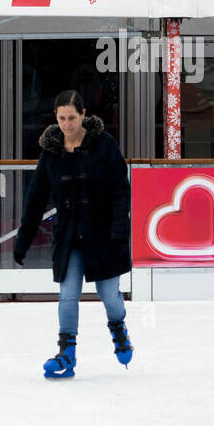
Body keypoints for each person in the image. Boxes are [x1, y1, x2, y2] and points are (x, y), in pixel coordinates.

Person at [14, 91, 133, 378]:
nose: (67, 124)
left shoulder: (104, 145)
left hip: (103, 236)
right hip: (69, 237)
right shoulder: (51, 153)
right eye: (61, 118)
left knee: (110, 296)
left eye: (71, 118)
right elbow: (36, 199)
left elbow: (120, 190)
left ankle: (118, 329)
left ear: (83, 115)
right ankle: (67, 353)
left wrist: (119, 229)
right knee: (68, 296)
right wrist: (23, 240)